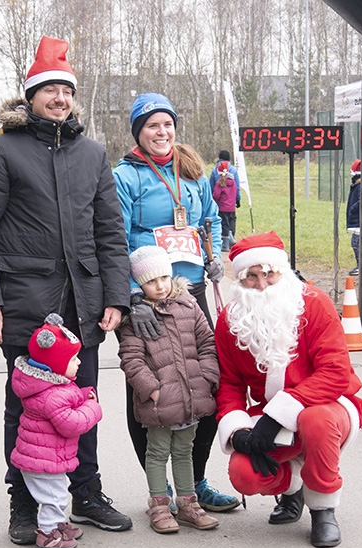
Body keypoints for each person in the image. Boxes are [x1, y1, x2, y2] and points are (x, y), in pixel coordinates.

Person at [0, 36, 132, 545]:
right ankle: (25, 501)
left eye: (66, 90)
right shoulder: (1, 151)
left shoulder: (93, 154)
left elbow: (110, 233)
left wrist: (116, 297)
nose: (59, 98)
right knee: (28, 407)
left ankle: (84, 491)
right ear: (31, 95)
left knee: (82, 400)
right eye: (49, 90)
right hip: (25, 304)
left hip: (82, 304)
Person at [113, 92, 240, 513]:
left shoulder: (192, 172)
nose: (161, 132)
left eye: (167, 124)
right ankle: (159, 490)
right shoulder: (126, 176)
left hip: (191, 290)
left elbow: (209, 221)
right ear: (139, 132)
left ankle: (194, 481)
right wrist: (132, 293)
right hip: (147, 295)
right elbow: (114, 237)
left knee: (202, 381)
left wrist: (215, 254)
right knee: (149, 385)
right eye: (152, 125)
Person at [213, 232, 362, 548]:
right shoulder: (230, 319)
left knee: (315, 420)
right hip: (271, 414)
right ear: (240, 280)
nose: (262, 285)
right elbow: (230, 383)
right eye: (251, 277)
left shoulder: (314, 302)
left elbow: (335, 373)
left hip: (328, 405)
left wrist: (279, 412)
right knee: (243, 472)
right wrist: (237, 430)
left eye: (268, 273)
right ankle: (292, 486)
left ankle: (323, 509)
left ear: (282, 270)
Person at [118, 246, 220, 533]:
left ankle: (188, 503)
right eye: (151, 281)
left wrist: (207, 377)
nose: (160, 285)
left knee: (185, 451)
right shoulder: (135, 319)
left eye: (164, 277)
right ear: (139, 284)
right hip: (159, 403)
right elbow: (131, 359)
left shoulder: (189, 306)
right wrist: (152, 391)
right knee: (157, 452)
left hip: (191, 397)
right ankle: (160, 505)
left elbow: (207, 344)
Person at [11, 314, 103, 548]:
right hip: (43, 461)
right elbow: (71, 423)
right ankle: (49, 534)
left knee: (56, 494)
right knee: (55, 497)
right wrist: (93, 407)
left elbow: (65, 400)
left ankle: (59, 524)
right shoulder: (53, 394)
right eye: (74, 359)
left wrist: (82, 396)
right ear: (56, 365)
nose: (79, 363)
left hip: (40, 457)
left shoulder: (49, 384)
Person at [209, 150, 240, 251]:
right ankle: (232, 237)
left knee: (223, 222)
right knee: (232, 220)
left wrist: (212, 200)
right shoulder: (234, 171)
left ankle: (226, 241)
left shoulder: (215, 171)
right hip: (231, 204)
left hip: (221, 204)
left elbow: (212, 188)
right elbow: (237, 188)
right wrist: (238, 200)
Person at [347, 159, 361, 276]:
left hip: (359, 222)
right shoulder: (357, 186)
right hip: (356, 221)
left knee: (356, 243)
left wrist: (353, 209)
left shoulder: (360, 186)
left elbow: (361, 201)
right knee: (355, 243)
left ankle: (360, 266)